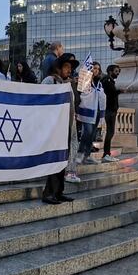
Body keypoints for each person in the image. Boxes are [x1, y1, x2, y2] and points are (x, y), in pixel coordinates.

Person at [41, 54, 80, 202]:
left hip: (66, 128)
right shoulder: (49, 81)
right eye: (66, 67)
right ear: (58, 67)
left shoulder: (67, 85)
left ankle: (58, 191)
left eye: (71, 68)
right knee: (54, 161)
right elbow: (42, 102)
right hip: (54, 128)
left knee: (63, 161)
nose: (69, 70)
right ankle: (48, 193)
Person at [77, 62, 108, 165]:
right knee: (88, 132)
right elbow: (82, 93)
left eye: (98, 69)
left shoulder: (99, 83)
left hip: (97, 111)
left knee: (93, 134)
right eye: (94, 68)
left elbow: (102, 96)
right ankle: (80, 153)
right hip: (87, 110)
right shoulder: (86, 81)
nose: (96, 70)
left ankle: (87, 155)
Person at [100, 65, 124, 161]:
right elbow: (110, 93)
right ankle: (106, 154)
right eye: (116, 71)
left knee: (111, 132)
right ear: (110, 71)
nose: (117, 73)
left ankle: (107, 154)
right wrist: (119, 91)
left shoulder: (109, 80)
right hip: (109, 110)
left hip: (111, 110)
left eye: (118, 71)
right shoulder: (107, 80)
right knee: (110, 132)